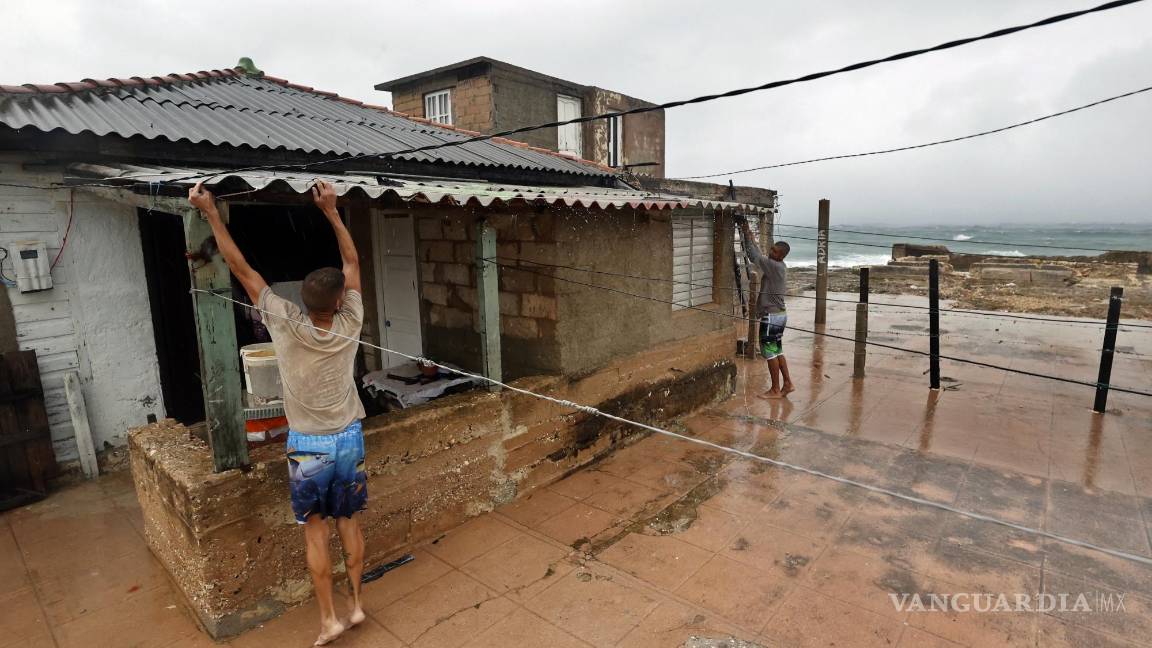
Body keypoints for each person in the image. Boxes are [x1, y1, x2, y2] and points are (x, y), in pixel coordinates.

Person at [189, 180, 366, 646]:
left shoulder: (284, 321)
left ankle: (329, 619)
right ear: (339, 301)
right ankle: (357, 606)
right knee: (348, 522)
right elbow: (352, 263)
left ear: (302, 300)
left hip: (309, 444)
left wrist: (210, 213)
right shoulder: (351, 320)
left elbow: (240, 267)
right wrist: (330, 210)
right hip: (349, 436)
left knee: (315, 533)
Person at [740, 220, 794, 399]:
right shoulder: (778, 266)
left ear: (781, 256)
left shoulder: (774, 266)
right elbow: (760, 253)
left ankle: (775, 390)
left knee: (770, 353)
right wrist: (751, 237)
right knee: (777, 350)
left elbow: (753, 256)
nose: (771, 253)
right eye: (771, 250)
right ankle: (787, 383)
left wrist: (746, 231)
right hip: (779, 315)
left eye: (775, 252)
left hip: (771, 317)